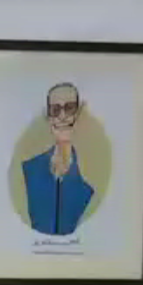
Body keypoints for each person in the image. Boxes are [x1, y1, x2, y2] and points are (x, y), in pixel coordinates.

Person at [21, 83, 95, 236]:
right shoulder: (30, 169)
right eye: (55, 110)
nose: (62, 116)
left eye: (69, 108)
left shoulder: (90, 180)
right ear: (48, 117)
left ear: (78, 114)